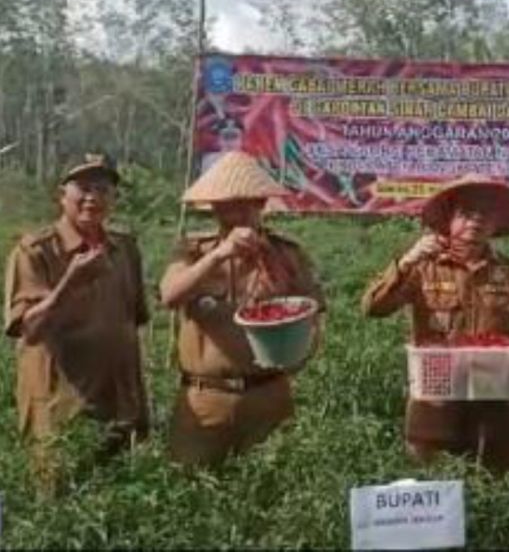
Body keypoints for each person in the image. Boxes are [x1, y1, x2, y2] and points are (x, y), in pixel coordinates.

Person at [361, 174, 509, 475]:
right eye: (467, 214)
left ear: (496, 224)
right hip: (437, 398)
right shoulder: (422, 266)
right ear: (449, 220)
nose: (476, 222)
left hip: (495, 395)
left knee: (498, 481)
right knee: (433, 483)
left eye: (486, 215)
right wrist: (404, 262)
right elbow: (373, 308)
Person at [160, 151, 325, 466]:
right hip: (205, 397)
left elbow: (313, 315)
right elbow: (170, 295)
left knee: (269, 489)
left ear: (261, 204)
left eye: (245, 203)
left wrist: (300, 356)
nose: (234, 213)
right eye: (226, 204)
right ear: (214, 207)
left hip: (267, 395)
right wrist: (219, 256)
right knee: (192, 489)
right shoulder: (193, 252)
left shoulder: (286, 254)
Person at [4, 154, 149, 495]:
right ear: (62, 195)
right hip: (63, 412)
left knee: (117, 505)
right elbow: (30, 330)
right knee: (61, 505)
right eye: (83, 188)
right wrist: (71, 283)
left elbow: (133, 323)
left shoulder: (124, 249)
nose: (93, 198)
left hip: (120, 405)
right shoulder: (35, 251)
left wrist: (142, 402)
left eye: (103, 189)